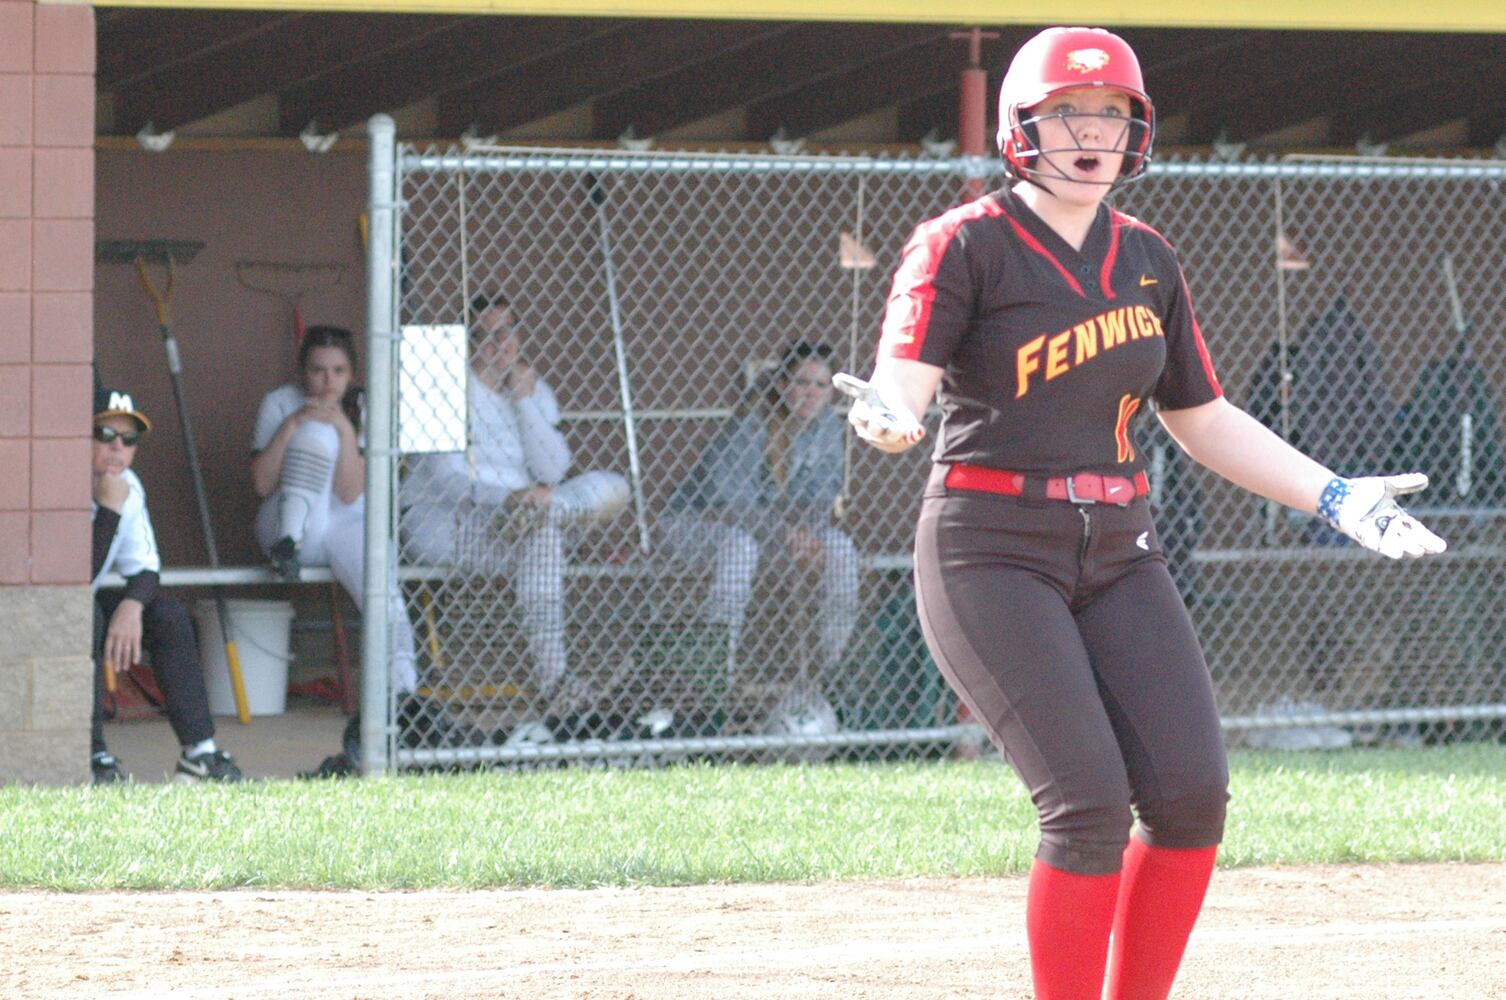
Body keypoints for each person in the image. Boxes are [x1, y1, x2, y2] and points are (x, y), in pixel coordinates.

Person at [840, 27, 1446, 1000]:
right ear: (1021, 127)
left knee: (1192, 795)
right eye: (1068, 113)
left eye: (1112, 115)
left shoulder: (1149, 257)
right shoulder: (962, 244)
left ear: (1138, 133)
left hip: (1121, 547)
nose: (1091, 133)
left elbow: (1201, 418)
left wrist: (1333, 493)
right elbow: (898, 389)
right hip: (990, 549)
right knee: (1087, 804)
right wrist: (887, 416)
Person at [400, 293, 630, 736]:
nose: (495, 345)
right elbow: (445, 480)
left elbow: (554, 469)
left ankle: (547, 515)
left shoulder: (535, 390)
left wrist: (524, 402)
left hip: (526, 520)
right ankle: (554, 678)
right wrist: (509, 500)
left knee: (611, 487)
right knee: (541, 529)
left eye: (503, 333)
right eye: (482, 336)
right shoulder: (437, 383)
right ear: (465, 342)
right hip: (449, 522)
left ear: (518, 337)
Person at [660, 340, 858, 698]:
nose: (810, 394)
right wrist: (786, 535)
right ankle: (717, 674)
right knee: (740, 549)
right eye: (801, 383)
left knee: (841, 551)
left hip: (773, 535)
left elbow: (824, 493)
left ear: (831, 392)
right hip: (694, 523)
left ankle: (832, 674)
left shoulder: (828, 427)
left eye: (820, 385)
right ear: (782, 385)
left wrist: (808, 535)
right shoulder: (752, 424)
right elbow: (729, 503)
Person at [250, 325, 419, 695]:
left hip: (345, 520)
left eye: (338, 371)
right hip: (287, 522)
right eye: (318, 370)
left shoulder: (364, 406)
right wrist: (294, 423)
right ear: (302, 372)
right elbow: (262, 485)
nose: (328, 380)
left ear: (352, 373)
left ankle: (403, 691)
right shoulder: (280, 401)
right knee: (312, 432)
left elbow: (349, 493)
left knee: (382, 587)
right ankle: (287, 545)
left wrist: (344, 428)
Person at [90, 387, 243, 784]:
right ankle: (93, 756)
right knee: (84, 614)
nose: (117, 449)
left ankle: (200, 753)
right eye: (105, 436)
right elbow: (69, 582)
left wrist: (132, 606)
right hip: (47, 607)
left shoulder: (128, 486)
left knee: (169, 616)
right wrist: (107, 511)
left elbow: (145, 570)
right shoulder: (59, 484)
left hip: (82, 597)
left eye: (129, 439)